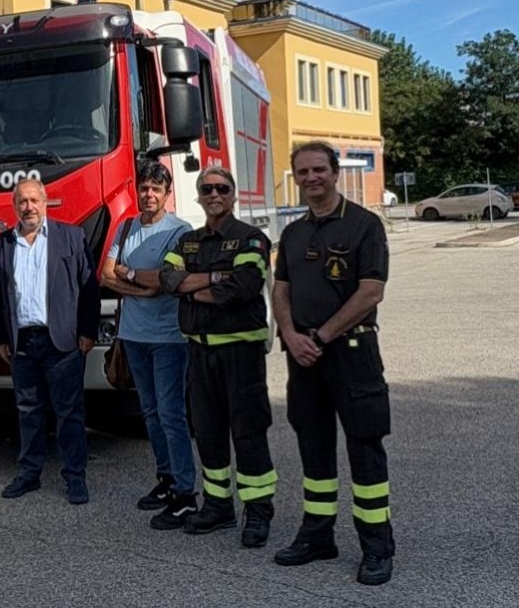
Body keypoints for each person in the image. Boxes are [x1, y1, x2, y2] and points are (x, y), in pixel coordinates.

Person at [271, 141, 395, 586]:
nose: (311, 178)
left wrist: (320, 336)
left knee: (364, 447)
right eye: (303, 172)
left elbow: (370, 292)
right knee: (313, 445)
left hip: (351, 353)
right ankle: (318, 536)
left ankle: (377, 546)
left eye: (319, 169)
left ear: (335, 172)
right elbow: (280, 289)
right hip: (303, 356)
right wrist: (290, 335)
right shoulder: (293, 233)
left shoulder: (364, 225)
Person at [135, 166, 276, 547]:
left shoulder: (251, 238)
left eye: (222, 188)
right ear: (198, 196)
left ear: (233, 195)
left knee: (247, 432)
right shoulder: (189, 242)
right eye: (207, 189)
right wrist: (216, 278)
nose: (214, 194)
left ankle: (258, 511)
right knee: (208, 432)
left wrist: (192, 288)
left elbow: (243, 286)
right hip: (199, 351)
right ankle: (218, 505)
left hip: (240, 353)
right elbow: (167, 279)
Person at [0, 178, 100, 505]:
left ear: (45, 201)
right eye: (22, 202)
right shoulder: (4, 243)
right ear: (15, 206)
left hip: (62, 341)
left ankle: (75, 476)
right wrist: (0, 337)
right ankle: (29, 473)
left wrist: (88, 331)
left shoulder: (71, 236)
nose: (29, 207)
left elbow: (89, 287)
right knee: (28, 411)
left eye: (34, 200)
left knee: (69, 412)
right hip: (22, 342)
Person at [101, 160, 196, 529]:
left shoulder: (180, 231)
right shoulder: (125, 227)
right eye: (144, 188)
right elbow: (105, 275)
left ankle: (185, 494)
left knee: (172, 414)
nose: (149, 194)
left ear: (167, 193)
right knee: (151, 412)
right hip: (133, 336)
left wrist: (129, 274)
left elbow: (164, 280)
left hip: (168, 338)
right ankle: (166, 478)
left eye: (156, 189)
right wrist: (139, 286)